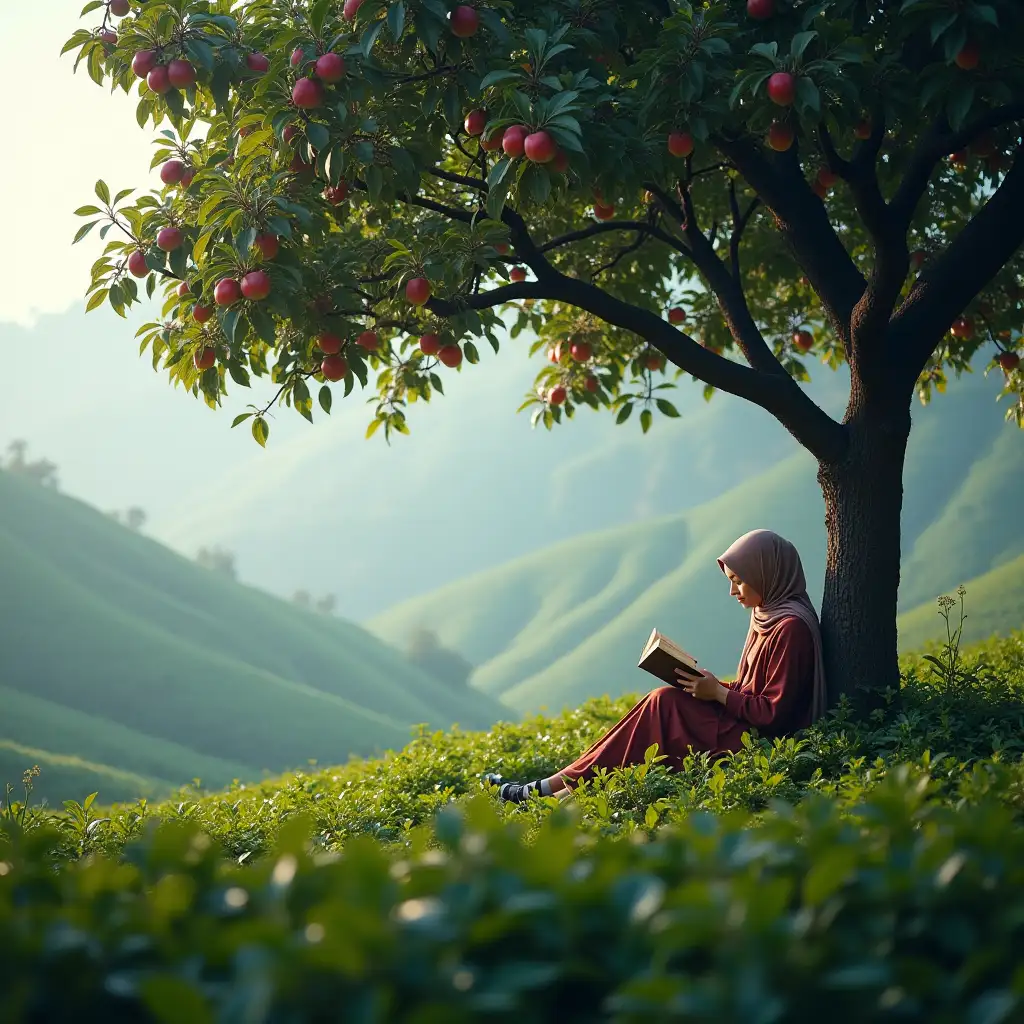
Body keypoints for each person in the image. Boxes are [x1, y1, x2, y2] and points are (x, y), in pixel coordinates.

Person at [485, 529, 827, 803]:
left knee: (661, 706)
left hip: (760, 740)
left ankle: (551, 791)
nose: (732, 591)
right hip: (741, 720)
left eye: (739, 579)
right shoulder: (767, 613)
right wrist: (710, 687)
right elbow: (755, 688)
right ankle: (555, 790)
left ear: (767, 573)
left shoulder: (790, 627)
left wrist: (719, 694)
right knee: (659, 704)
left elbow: (775, 714)